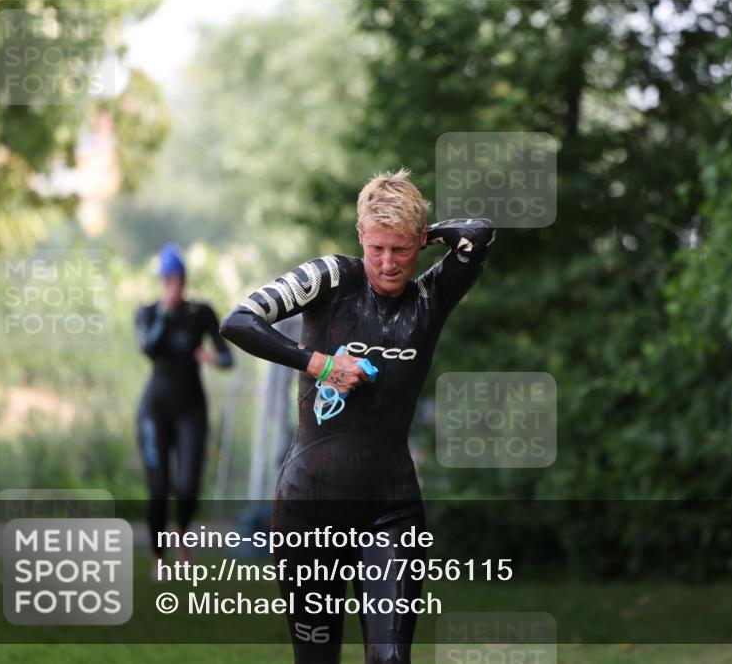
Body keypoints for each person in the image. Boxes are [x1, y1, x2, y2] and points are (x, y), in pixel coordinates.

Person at [220, 168, 495, 664]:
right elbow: (238, 321)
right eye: (376, 248)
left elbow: (479, 233)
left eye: (402, 249)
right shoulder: (331, 277)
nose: (388, 264)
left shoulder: (431, 297)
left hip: (391, 509)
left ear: (419, 242)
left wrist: (429, 232)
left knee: (390, 659)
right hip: (310, 507)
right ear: (360, 238)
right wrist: (320, 364)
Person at [135, 243, 234, 577]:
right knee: (159, 487)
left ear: (185, 280)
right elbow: (148, 348)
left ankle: (181, 532)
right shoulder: (148, 313)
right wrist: (165, 312)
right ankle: (158, 557)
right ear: (160, 282)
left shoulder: (200, 313)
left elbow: (228, 358)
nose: (172, 286)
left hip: (191, 408)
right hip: (155, 410)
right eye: (167, 280)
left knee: (189, 485)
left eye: (177, 280)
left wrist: (212, 358)